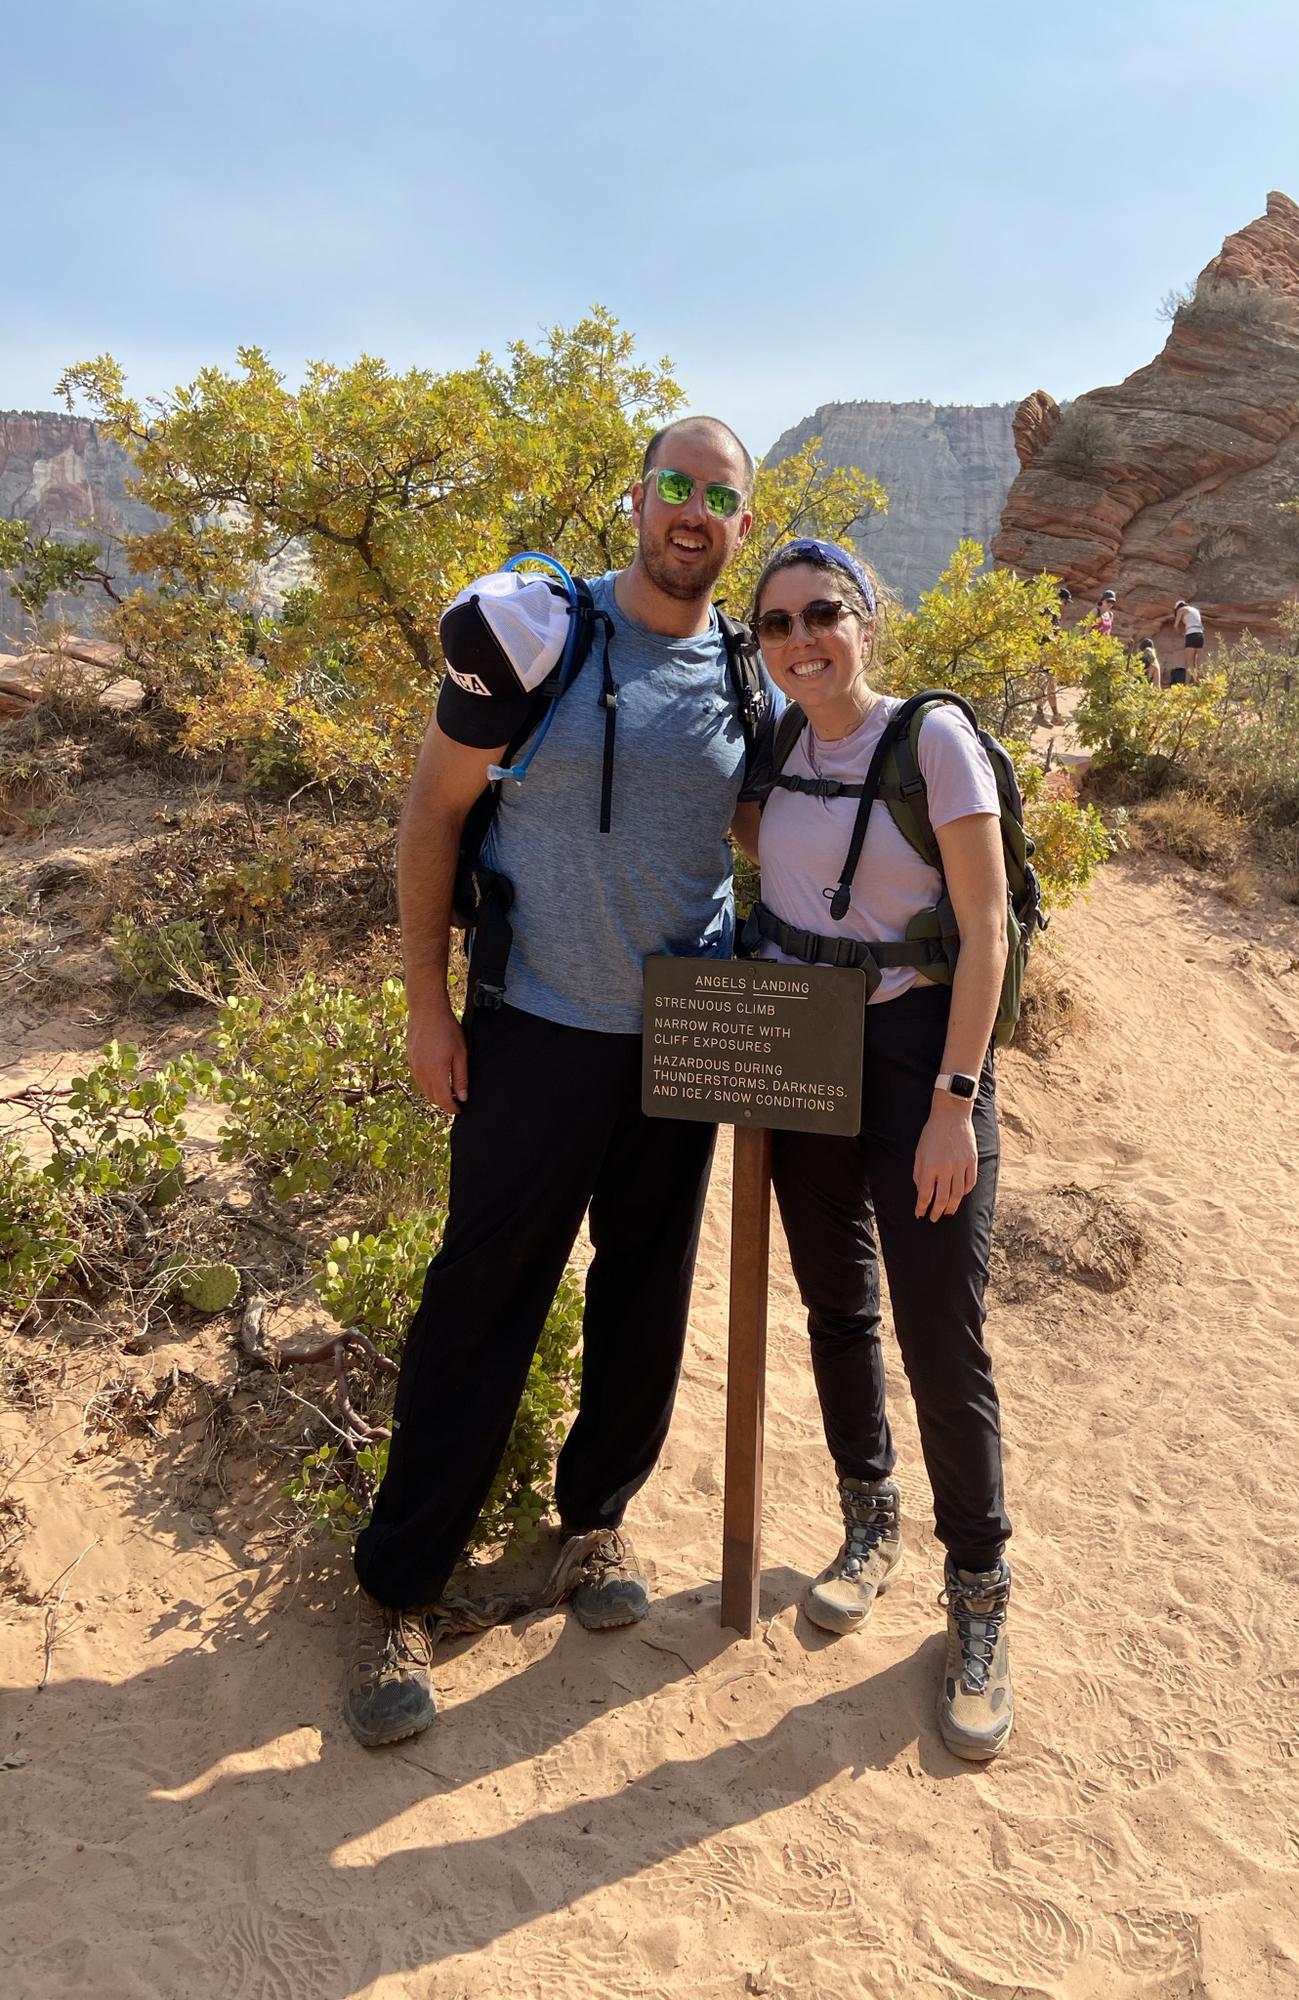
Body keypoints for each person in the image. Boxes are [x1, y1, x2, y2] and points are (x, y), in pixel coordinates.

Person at [344, 416, 769, 1748]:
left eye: (722, 496)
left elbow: (772, 835)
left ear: (742, 525)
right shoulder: (539, 633)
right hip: (532, 1026)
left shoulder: (748, 677)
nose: (693, 511)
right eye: (677, 486)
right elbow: (434, 811)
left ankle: (592, 1530)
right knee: (482, 1304)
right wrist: (427, 1005)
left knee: (643, 1299)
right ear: (638, 497)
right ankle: (404, 1593)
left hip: (683, 1035)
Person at [742, 538, 1014, 1762]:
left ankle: (979, 1588)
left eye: (823, 614)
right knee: (834, 1302)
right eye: (777, 624)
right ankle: (869, 1514)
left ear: (866, 620)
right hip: (806, 1042)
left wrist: (956, 1098)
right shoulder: (776, 744)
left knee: (939, 1328)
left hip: (919, 1055)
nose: (803, 639)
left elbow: (990, 923)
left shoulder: (932, 743)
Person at [1033, 583, 1070, 727]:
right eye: (1065, 601)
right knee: (1047, 683)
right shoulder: (1049, 611)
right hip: (1046, 651)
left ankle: (1049, 714)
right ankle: (1044, 714)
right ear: (1060, 599)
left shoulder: (1051, 611)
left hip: (1047, 651)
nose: (1065, 605)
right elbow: (1046, 632)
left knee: (1049, 684)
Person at [1173, 599, 1205, 682]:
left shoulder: (1181, 610)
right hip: (1200, 635)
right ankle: (1199, 683)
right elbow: (1202, 626)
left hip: (1191, 634)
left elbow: (1176, 626)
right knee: (1198, 663)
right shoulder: (1196, 610)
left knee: (1189, 663)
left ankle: (1187, 685)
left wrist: (1181, 634)